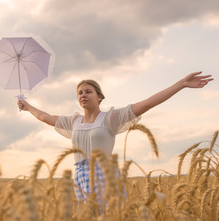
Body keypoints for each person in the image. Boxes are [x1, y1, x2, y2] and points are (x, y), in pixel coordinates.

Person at [17, 71, 213, 203]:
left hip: (106, 176)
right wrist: (27, 106)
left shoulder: (110, 117)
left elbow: (147, 104)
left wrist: (181, 84)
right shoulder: (73, 121)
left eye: (88, 91)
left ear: (100, 96)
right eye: (79, 93)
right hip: (80, 176)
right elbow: (45, 117)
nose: (83, 95)